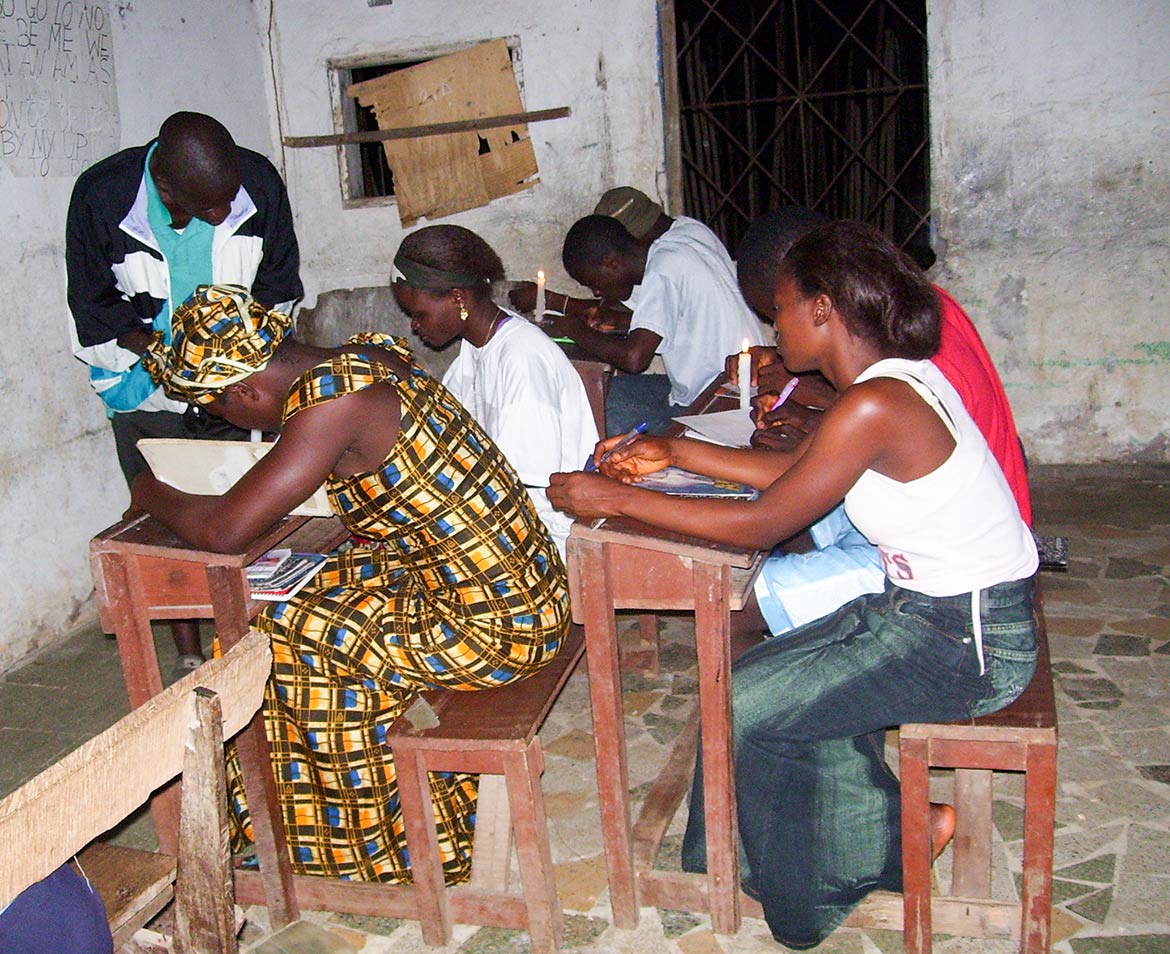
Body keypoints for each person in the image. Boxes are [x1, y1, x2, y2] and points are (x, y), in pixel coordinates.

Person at [547, 221, 1039, 948]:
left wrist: (610, 499)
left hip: (966, 639)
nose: (770, 326)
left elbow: (763, 522)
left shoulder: (878, 402)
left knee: (757, 703)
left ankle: (828, 885)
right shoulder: (886, 386)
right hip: (924, 614)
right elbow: (798, 474)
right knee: (758, 678)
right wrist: (675, 450)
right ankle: (758, 857)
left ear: (822, 309)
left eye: (778, 307)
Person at [133, 284, 568, 884]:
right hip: (517, 583)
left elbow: (223, 530)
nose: (229, 424)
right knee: (295, 592)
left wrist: (149, 490)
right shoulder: (368, 357)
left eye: (219, 412)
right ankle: (293, 816)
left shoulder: (333, 401)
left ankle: (383, 844)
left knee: (284, 635)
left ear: (246, 390)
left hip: (498, 625)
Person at [66, 111, 303, 677]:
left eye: (229, 201)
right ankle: (188, 650)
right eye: (210, 207)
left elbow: (278, 287)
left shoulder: (259, 183)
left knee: (255, 512)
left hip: (241, 390)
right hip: (146, 389)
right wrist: (169, 360)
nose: (224, 214)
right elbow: (94, 309)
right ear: (166, 186)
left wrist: (236, 370)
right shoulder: (103, 197)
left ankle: (257, 634)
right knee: (169, 517)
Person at [729, 209, 1034, 634]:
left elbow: (889, 427)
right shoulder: (908, 314)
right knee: (793, 512)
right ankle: (808, 606)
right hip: (943, 521)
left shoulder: (903, 353)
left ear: (819, 299)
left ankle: (803, 612)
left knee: (742, 593)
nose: (775, 328)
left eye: (776, 310)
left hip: (955, 562)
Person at [391, 224, 599, 558]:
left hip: (543, 537)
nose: (415, 325)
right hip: (503, 521)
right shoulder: (474, 350)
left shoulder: (521, 358)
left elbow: (515, 490)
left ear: (458, 297)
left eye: (418, 314)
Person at [554, 212, 768, 435]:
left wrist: (572, 328)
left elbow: (634, 358)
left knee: (591, 409)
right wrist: (622, 321)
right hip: (732, 386)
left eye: (592, 283)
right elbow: (687, 317)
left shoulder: (662, 270)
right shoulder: (688, 235)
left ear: (610, 262)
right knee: (599, 394)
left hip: (718, 405)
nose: (596, 291)